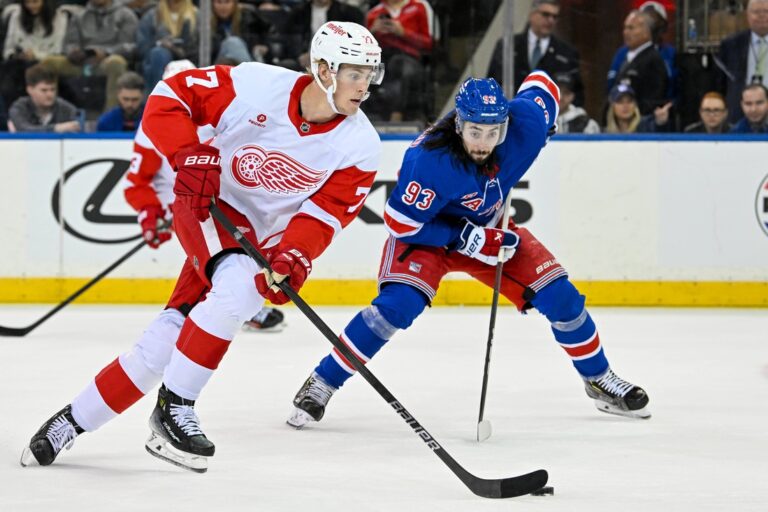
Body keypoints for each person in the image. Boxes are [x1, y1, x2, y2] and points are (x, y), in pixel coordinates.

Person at [20, 20, 384, 473]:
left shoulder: (362, 145)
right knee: (240, 285)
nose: (365, 87)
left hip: (263, 235)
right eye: (356, 74)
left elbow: (325, 214)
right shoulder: (255, 84)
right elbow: (168, 97)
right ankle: (175, 406)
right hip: (209, 203)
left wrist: (295, 253)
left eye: (371, 75)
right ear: (324, 70)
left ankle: (70, 422)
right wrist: (187, 153)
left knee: (165, 342)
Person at [286, 73, 651, 431]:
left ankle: (599, 378)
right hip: (426, 234)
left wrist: (547, 123)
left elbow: (543, 82)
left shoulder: (526, 125)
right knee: (396, 309)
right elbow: (400, 223)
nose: (483, 142)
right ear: (459, 124)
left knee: (564, 300)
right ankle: (323, 383)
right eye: (475, 131)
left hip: (489, 228)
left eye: (493, 132)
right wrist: (466, 238)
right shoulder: (430, 160)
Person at [122, 59, 287, 331]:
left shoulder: (222, 111)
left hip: (222, 197)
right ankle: (198, 313)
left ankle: (189, 314)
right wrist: (150, 212)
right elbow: (137, 183)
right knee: (219, 253)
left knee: (231, 251)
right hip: (182, 201)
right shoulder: (155, 123)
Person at [40, 0, 138, 112]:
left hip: (107, 61)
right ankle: (48, 114)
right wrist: (73, 52)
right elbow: (69, 44)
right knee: (49, 62)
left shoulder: (126, 15)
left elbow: (130, 46)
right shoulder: (79, 16)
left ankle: (110, 115)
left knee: (116, 62)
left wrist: (106, 52)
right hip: (82, 61)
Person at [488, 0, 583, 106]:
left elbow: (577, 95)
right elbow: (492, 83)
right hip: (510, 114)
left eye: (555, 17)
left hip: (549, 119)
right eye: (545, 15)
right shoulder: (508, 45)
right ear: (532, 14)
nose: (550, 20)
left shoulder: (566, 53)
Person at [365, 0, 436, 122]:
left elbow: (429, 44)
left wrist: (402, 32)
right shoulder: (373, 13)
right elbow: (363, 48)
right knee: (367, 72)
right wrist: (372, 31)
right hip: (381, 59)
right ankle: (368, 118)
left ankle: (396, 116)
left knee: (400, 66)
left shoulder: (419, 6)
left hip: (410, 59)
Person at [1, 0, 69, 106]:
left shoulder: (59, 17)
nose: (31, 6)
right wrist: (15, 55)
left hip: (46, 60)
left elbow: (58, 49)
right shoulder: (16, 16)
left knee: (31, 70)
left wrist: (36, 55)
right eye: (27, 2)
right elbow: (8, 47)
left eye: (35, 2)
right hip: (19, 61)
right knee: (9, 71)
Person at [608, 9, 667, 116]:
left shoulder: (653, 60)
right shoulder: (626, 56)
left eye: (631, 28)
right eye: (625, 28)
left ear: (646, 31)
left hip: (640, 127)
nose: (625, 32)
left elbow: (654, 100)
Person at [717, 0, 768, 123]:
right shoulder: (731, 44)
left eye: (766, 11)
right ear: (747, 15)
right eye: (756, 12)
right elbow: (720, 83)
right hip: (739, 115)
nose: (762, 16)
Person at [136, 0, 199, 92]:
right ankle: (158, 97)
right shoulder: (152, 16)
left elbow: (203, 48)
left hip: (190, 60)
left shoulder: (197, 16)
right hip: (159, 62)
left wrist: (176, 50)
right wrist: (160, 44)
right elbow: (143, 47)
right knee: (158, 53)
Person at [7, 63, 81, 132]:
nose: (50, 94)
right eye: (44, 90)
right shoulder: (19, 108)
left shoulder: (67, 109)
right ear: (29, 90)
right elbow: (24, 130)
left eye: (53, 89)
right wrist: (56, 128)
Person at [210, 0, 272, 65]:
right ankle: (249, 72)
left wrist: (262, 47)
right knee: (232, 42)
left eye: (227, 2)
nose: (223, 6)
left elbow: (266, 38)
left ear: (234, 3)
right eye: (219, 2)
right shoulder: (206, 23)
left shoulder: (248, 17)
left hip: (248, 59)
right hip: (216, 65)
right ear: (212, 4)